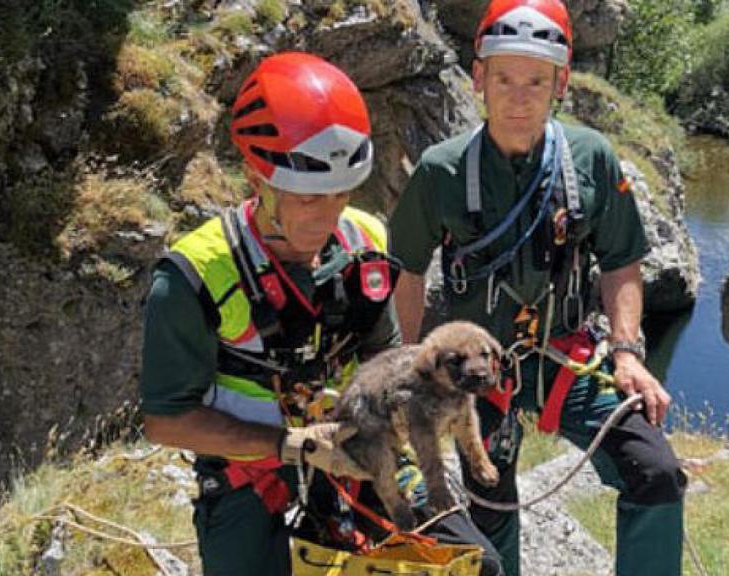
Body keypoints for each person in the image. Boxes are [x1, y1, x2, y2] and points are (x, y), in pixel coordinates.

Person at [140, 52, 503, 576]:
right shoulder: (193, 276)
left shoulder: (365, 244)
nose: (328, 216)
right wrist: (288, 445)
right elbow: (166, 419)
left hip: (363, 442)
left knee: (474, 566)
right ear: (255, 177)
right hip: (254, 467)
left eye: (340, 195)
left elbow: (386, 362)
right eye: (308, 199)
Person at [388, 1, 688, 574]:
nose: (518, 96)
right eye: (504, 78)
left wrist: (627, 352)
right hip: (480, 373)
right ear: (479, 79)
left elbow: (622, 263)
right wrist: (407, 368)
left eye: (536, 81)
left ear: (560, 83)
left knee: (655, 470)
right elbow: (407, 268)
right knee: (490, 500)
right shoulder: (441, 171)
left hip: (565, 357)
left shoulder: (590, 159)